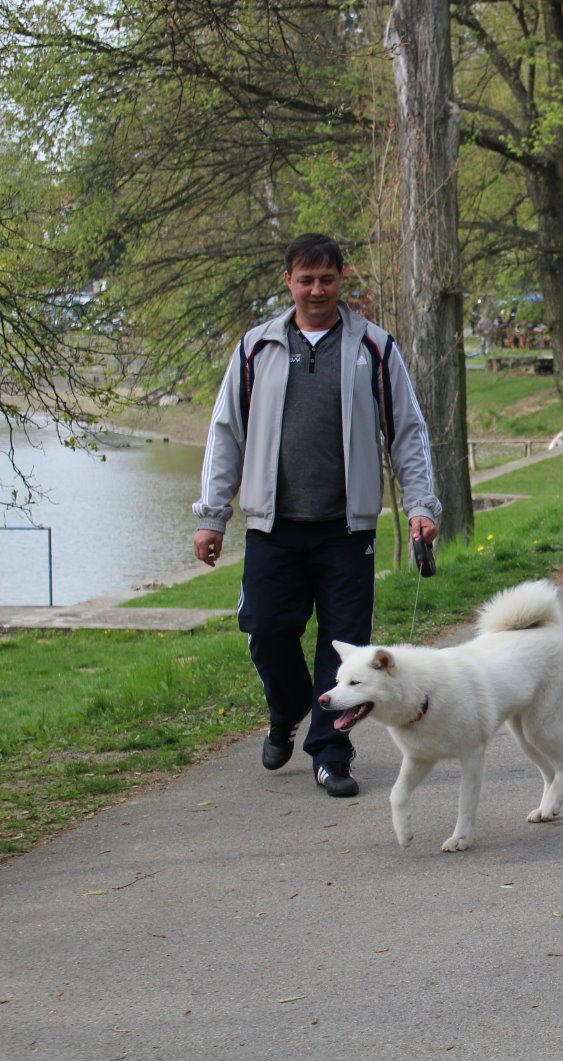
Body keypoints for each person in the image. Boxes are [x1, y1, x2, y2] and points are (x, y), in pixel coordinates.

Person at [192, 233, 441, 799]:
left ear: (341, 279)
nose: (317, 290)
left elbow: (408, 432)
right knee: (265, 629)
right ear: (289, 282)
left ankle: (331, 753)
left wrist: (422, 506)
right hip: (272, 527)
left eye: (326, 279)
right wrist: (212, 516)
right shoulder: (256, 348)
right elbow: (225, 434)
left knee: (345, 643)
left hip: (345, 531)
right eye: (305, 280)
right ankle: (287, 710)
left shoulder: (374, 348)